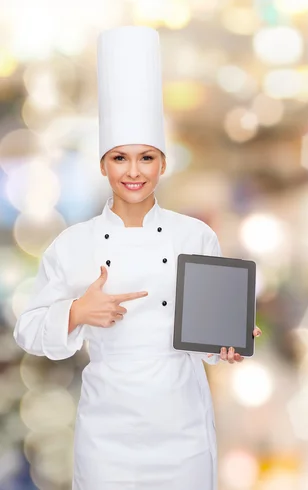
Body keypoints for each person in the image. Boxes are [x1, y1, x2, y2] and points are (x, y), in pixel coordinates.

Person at [12, 26, 260, 490]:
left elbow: (205, 339)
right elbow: (27, 330)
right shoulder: (74, 244)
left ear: (163, 164)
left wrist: (227, 344)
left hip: (181, 429)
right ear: (103, 165)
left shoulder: (196, 235)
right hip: (109, 435)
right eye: (120, 159)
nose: (133, 172)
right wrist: (78, 312)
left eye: (146, 158)